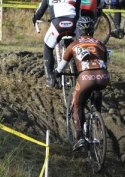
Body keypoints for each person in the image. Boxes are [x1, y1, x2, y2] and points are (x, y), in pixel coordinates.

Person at [55, 16, 110, 151]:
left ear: (79, 30)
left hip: (85, 78)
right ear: (93, 29)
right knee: (96, 90)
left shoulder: (74, 44)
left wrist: (55, 73)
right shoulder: (100, 44)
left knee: (77, 104)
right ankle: (96, 116)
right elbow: (106, 62)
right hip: (103, 76)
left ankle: (80, 137)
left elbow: (61, 66)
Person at [32, 0, 80, 88]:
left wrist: (34, 19)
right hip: (72, 24)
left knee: (48, 47)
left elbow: (40, 11)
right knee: (75, 48)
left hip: (57, 24)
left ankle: (50, 77)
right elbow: (78, 12)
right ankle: (79, 74)